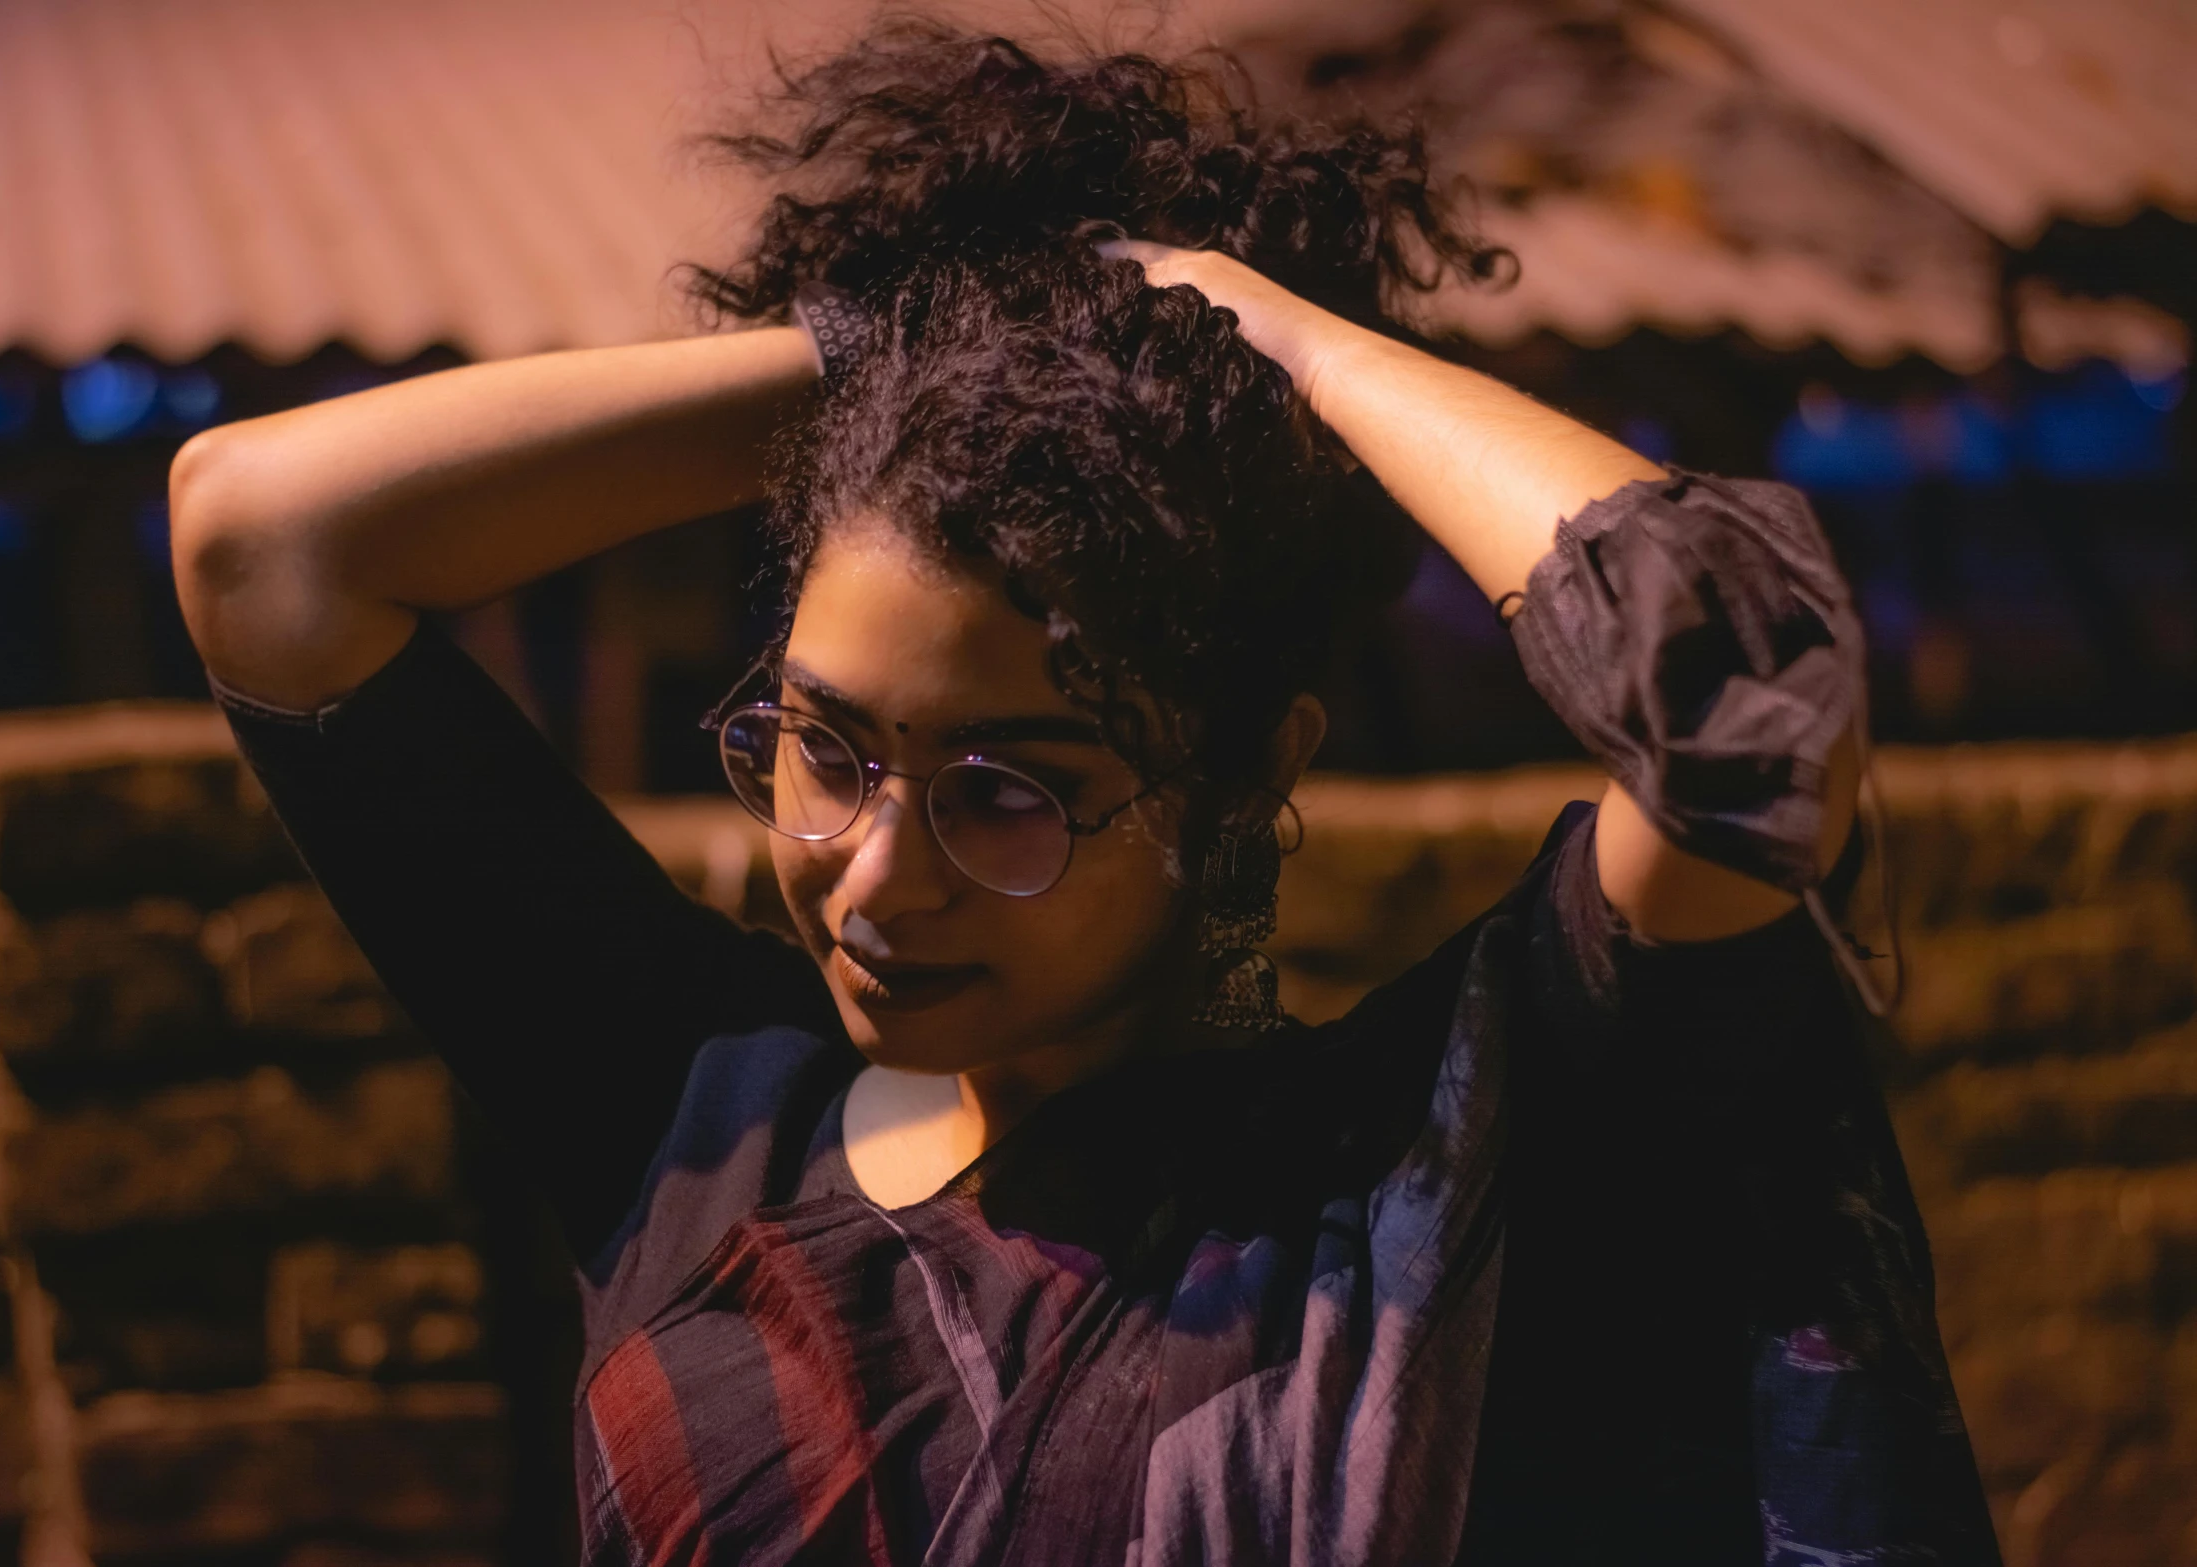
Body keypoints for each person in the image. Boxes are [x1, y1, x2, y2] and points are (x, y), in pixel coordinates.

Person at [168, 28, 1997, 1566]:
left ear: (1240, 778)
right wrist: (928, 350)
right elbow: (264, 540)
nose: (876, 876)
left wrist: (1282, 353)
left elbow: (1740, 685)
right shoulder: (697, 1107)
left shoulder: (1433, 1150)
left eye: (1007, 790)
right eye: (828, 748)